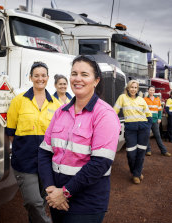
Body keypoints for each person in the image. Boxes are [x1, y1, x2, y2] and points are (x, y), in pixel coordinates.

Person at [38, 55, 121, 223]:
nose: (78, 79)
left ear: (96, 80)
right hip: (56, 197)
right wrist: (51, 189)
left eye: (84, 74)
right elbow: (44, 152)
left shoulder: (105, 114)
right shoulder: (60, 112)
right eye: (74, 73)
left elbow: (100, 163)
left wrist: (65, 192)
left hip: (87, 202)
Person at [6, 61, 61, 223]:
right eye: (36, 75)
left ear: (48, 78)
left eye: (43, 75)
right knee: (33, 202)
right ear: (30, 77)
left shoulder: (56, 104)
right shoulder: (19, 101)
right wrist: (23, 148)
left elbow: (58, 133)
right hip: (24, 160)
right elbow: (11, 132)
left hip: (47, 162)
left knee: (42, 202)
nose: (40, 78)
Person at [113, 80, 152, 184]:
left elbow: (148, 114)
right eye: (132, 87)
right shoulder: (122, 97)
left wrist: (148, 127)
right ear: (128, 88)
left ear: (137, 89)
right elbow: (114, 112)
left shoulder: (142, 100)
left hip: (143, 128)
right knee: (131, 153)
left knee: (141, 152)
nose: (133, 89)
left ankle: (136, 174)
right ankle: (136, 172)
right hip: (130, 129)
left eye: (135, 87)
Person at [144, 86, 171, 157]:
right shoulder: (144, 99)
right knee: (146, 136)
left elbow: (159, 110)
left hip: (155, 120)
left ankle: (164, 151)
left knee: (157, 136)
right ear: (148, 90)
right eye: (150, 90)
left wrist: (159, 118)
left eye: (153, 90)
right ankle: (148, 150)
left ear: (154, 91)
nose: (151, 91)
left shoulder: (157, 99)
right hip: (147, 120)